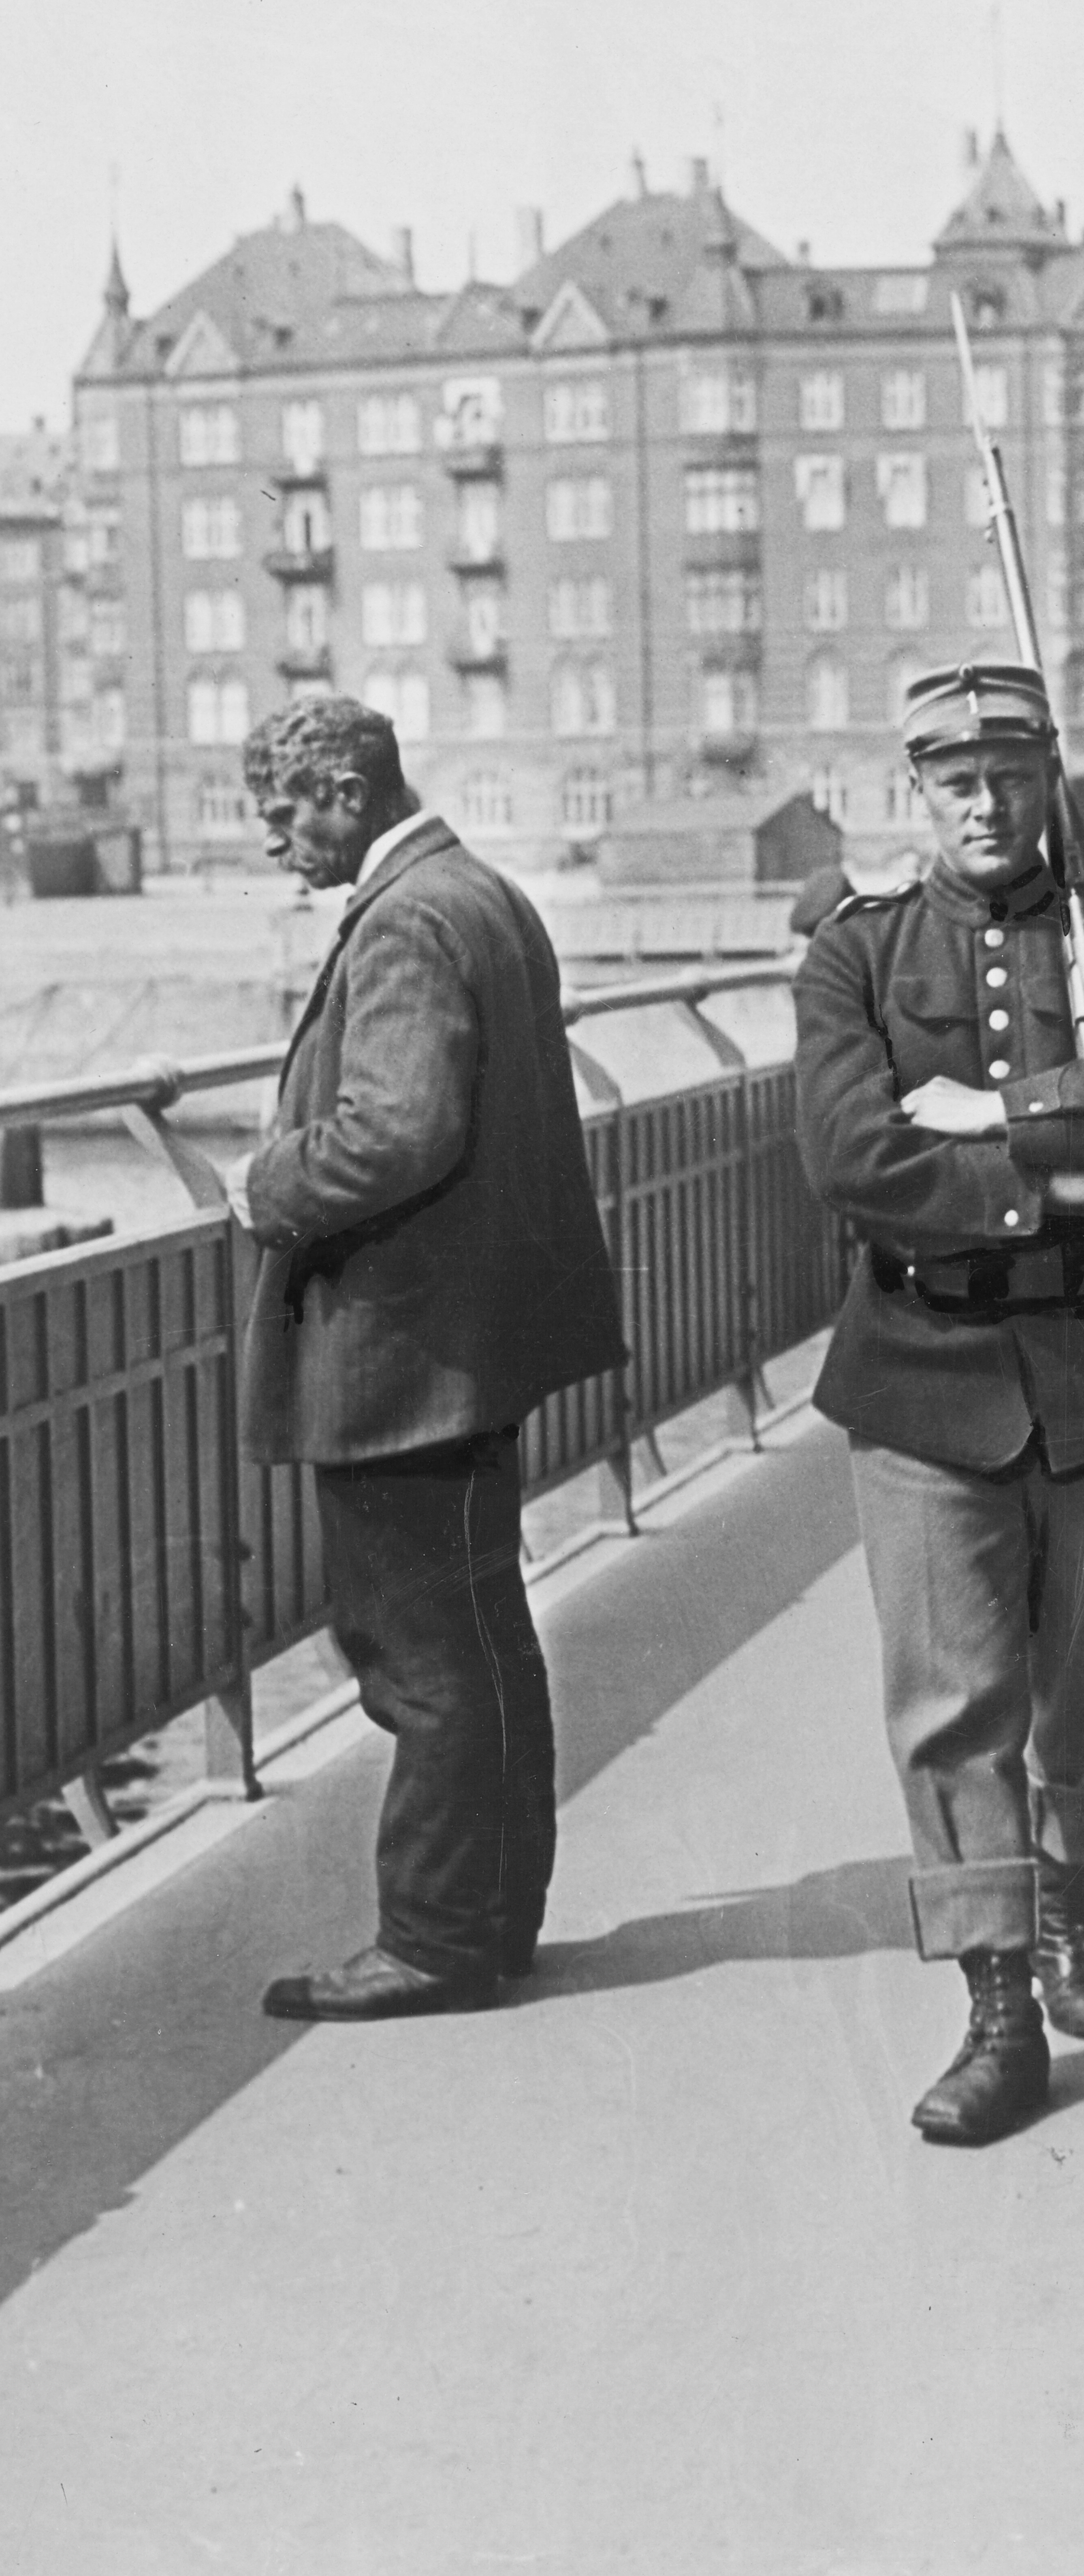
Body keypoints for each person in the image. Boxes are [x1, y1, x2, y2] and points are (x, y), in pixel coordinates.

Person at [793, 662, 1084, 2147]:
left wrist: (1001, 1117)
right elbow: (855, 1158)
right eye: (954, 782)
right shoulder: (854, 954)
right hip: (923, 1379)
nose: (985, 804)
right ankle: (1000, 2008)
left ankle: (1065, 1905)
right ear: (916, 793)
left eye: (1009, 776)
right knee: (953, 1709)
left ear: (1049, 780)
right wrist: (1069, 1173)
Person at [232, 701, 625, 2021]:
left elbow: (395, 1130)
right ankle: (495, 1914)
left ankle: (435, 1937)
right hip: (475, 1341)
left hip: (401, 1358)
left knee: (419, 1655)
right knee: (485, 1633)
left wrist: (268, 1179)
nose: (273, 839)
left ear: (346, 791)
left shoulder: (403, 918)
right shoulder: (482, 893)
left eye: (283, 812)